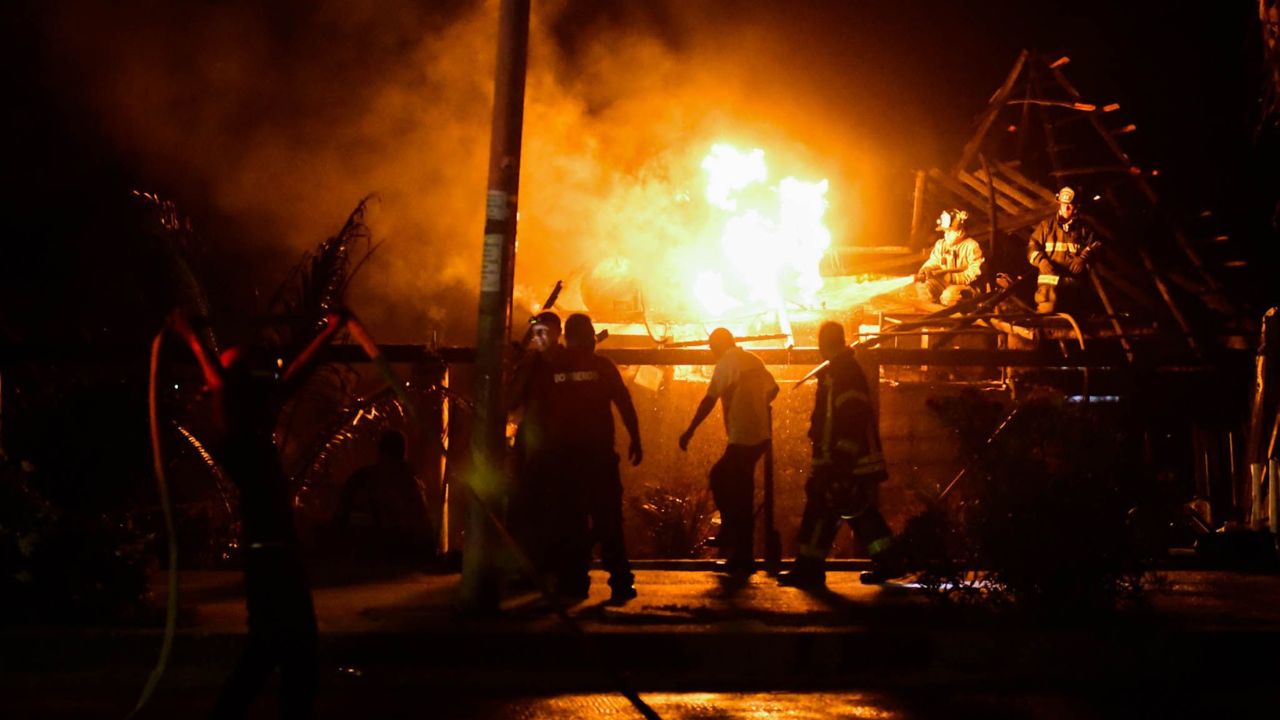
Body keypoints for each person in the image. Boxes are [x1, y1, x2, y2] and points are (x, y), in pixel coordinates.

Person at [779, 321, 902, 588]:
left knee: (821, 509)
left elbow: (852, 415)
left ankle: (809, 569)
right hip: (843, 459)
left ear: (824, 344)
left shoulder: (843, 372)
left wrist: (839, 460)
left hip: (847, 460)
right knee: (855, 510)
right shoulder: (838, 370)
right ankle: (889, 560)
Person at [538, 313, 643, 602]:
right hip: (599, 458)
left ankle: (573, 582)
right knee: (608, 520)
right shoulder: (603, 367)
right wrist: (636, 439)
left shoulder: (552, 368)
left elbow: (542, 412)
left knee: (569, 521)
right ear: (589, 336)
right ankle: (620, 582)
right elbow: (624, 403)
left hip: (564, 460)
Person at [678, 328, 779, 579]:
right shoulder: (754, 360)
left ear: (717, 347)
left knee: (719, 477)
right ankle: (744, 558)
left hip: (743, 437)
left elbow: (709, 400)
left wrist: (689, 430)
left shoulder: (725, 363)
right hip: (760, 438)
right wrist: (756, 405)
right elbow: (774, 389)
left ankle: (729, 531)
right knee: (742, 492)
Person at [334, 429, 433, 564]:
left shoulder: (362, 476)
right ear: (403, 452)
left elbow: (341, 514)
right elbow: (420, 522)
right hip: (390, 546)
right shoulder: (407, 480)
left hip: (362, 545)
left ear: (380, 451)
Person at [1027, 186, 1101, 315]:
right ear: (1059, 204)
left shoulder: (1084, 228)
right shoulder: (1046, 226)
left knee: (1072, 323)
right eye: (1064, 205)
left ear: (1077, 207)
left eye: (1070, 206)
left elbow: (1096, 245)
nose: (1066, 208)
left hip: (1073, 287)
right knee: (1046, 322)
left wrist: (1083, 259)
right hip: (1048, 290)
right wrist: (1041, 261)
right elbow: (1032, 245)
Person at [915, 209, 985, 306]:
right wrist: (927, 268)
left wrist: (954, 278)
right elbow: (935, 260)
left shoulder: (972, 246)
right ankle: (938, 306)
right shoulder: (941, 244)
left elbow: (975, 271)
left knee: (949, 297)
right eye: (945, 231)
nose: (945, 233)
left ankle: (958, 307)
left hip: (965, 286)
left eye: (949, 231)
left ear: (959, 230)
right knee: (922, 287)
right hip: (945, 284)